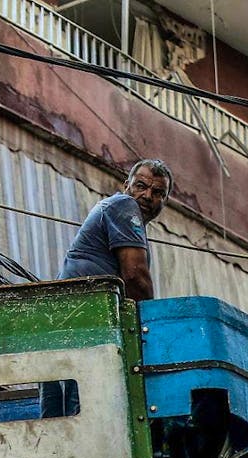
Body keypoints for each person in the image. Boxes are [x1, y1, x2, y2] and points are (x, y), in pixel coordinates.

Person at [40, 158, 173, 418]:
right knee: (88, 412)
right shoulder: (124, 205)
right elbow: (136, 278)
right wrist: (151, 331)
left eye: (157, 193)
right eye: (141, 186)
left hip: (60, 324)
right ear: (126, 186)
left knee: (59, 420)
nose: (147, 196)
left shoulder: (130, 226)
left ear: (165, 201)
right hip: (83, 320)